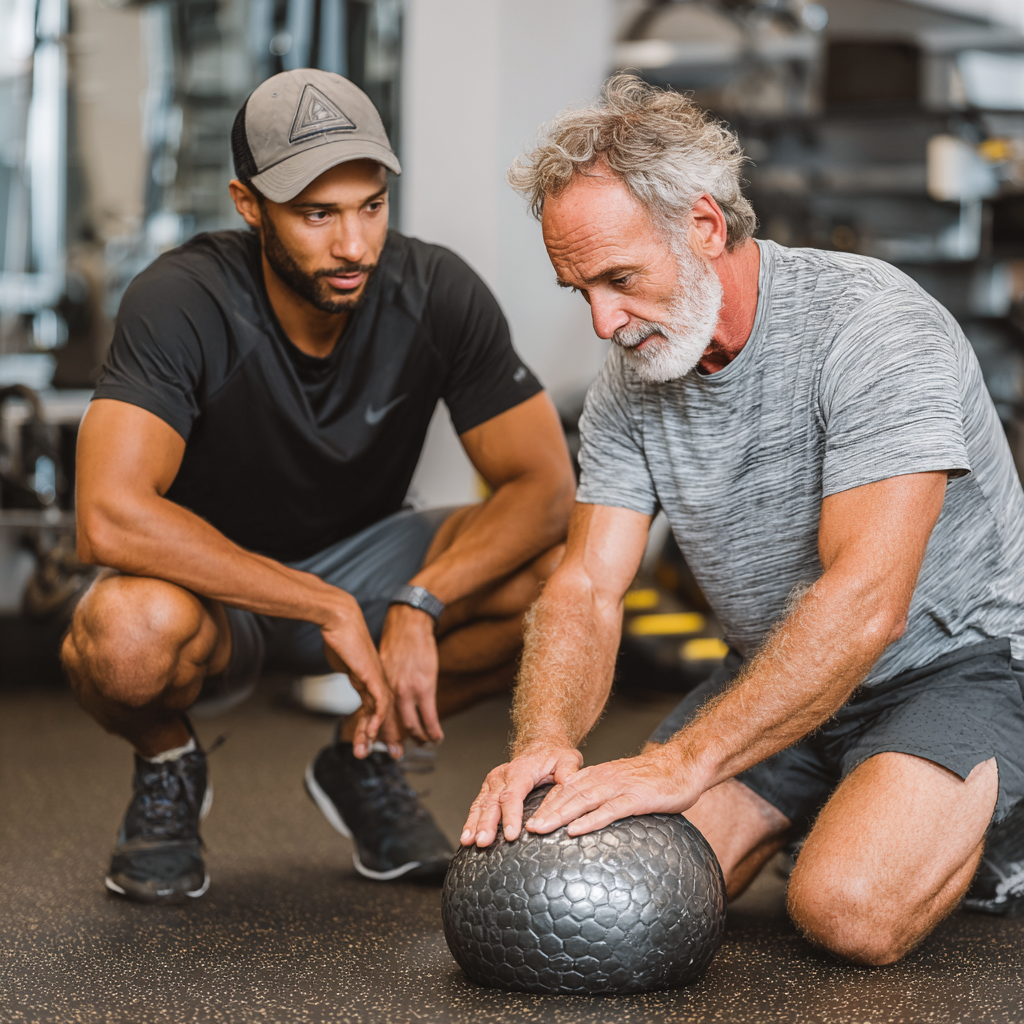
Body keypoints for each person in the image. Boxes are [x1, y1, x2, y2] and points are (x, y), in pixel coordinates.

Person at [462, 75, 1024, 964]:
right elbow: (587, 586)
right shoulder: (631, 382)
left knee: (848, 909)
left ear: (706, 227)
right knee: (620, 882)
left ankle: (992, 828)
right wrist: (545, 740)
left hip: (956, 667)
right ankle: (851, 798)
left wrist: (687, 761)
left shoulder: (872, 327)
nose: (605, 320)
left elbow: (868, 598)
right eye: (582, 293)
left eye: (619, 279)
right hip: (776, 668)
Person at [62, 69, 575, 902]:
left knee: (565, 577)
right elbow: (110, 519)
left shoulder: (436, 292)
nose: (354, 246)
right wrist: (320, 604)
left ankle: (364, 756)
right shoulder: (179, 301)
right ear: (248, 203)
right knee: (123, 636)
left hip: (367, 566)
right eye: (317, 214)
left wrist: (421, 601)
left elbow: (544, 489)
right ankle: (168, 762)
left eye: (371, 206)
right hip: (209, 589)